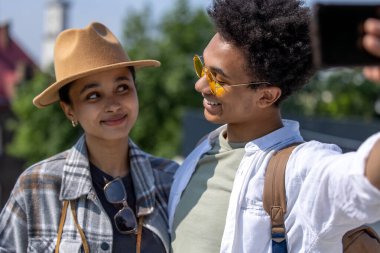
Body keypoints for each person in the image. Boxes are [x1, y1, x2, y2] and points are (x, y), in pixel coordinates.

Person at [168, 0, 380, 252]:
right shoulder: (203, 149)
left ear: (266, 96)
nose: (200, 85)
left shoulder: (299, 170)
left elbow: (361, 182)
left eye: (217, 79)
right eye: (202, 67)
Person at [0, 22, 178, 253]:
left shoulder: (170, 182)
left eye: (122, 88)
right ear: (69, 110)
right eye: (93, 95)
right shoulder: (36, 187)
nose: (113, 105)